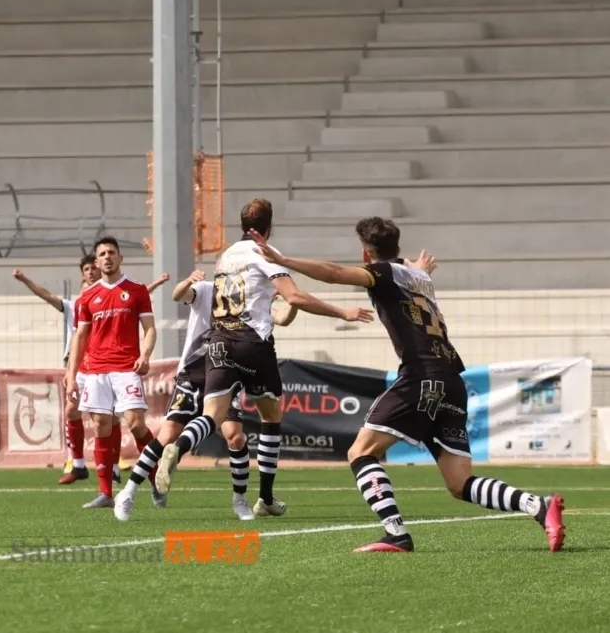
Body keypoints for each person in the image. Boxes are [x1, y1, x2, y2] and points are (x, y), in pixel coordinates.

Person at [248, 216, 565, 553]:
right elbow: (407, 274)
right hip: (451, 380)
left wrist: (284, 260)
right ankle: (538, 505)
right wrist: (420, 268)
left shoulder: (384, 273)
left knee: (361, 452)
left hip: (421, 376)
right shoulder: (418, 277)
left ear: (365, 253)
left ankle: (396, 533)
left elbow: (335, 273)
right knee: (460, 483)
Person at [154, 199, 374, 517]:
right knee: (271, 417)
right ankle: (266, 498)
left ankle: (179, 447)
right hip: (252, 343)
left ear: (242, 226)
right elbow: (294, 295)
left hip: (218, 341)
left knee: (212, 415)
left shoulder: (226, 256)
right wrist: (343, 312)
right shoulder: (264, 252)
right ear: (269, 228)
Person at [113, 268, 298, 522]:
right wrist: (187, 280)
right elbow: (178, 295)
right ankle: (128, 492)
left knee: (235, 437)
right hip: (195, 372)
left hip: (226, 374)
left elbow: (282, 318)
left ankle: (239, 500)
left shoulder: (250, 297)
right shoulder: (207, 289)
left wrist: (294, 300)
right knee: (168, 434)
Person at [13, 264, 169, 485]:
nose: (90, 276)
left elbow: (131, 295)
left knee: (110, 418)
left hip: (106, 364)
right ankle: (78, 464)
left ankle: (114, 467)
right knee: (74, 411)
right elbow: (48, 297)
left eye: (93, 272)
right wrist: (71, 371)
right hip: (84, 366)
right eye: (86, 272)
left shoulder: (117, 293)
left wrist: (156, 284)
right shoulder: (75, 304)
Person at [65, 237, 159, 509]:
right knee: (101, 426)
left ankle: (157, 480)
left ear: (120, 258)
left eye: (111, 253)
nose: (107, 257)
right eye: (102, 254)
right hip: (96, 371)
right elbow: (80, 337)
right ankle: (105, 492)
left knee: (136, 424)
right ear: (97, 262)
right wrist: (71, 376)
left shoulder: (137, 290)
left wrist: (145, 355)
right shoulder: (87, 297)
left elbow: (150, 329)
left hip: (126, 368)